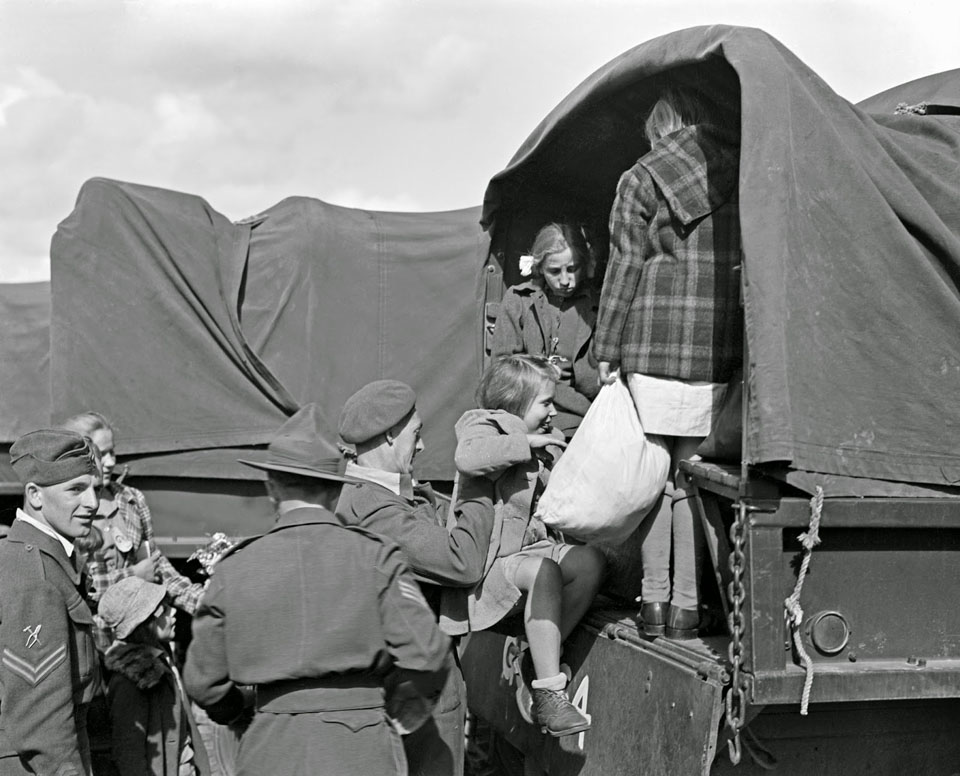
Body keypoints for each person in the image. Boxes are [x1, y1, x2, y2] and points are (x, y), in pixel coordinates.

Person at [184, 404, 450, 776]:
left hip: (271, 746)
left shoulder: (235, 568)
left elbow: (202, 681)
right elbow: (429, 652)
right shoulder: (375, 557)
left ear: (271, 486)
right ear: (333, 490)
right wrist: (393, 710)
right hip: (362, 747)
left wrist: (239, 713)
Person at [594, 85, 743, 639]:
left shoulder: (639, 177)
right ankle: (688, 607)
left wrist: (606, 348)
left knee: (655, 479)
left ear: (661, 126)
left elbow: (623, 269)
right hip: (717, 344)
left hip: (652, 343)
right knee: (693, 477)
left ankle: (653, 605)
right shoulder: (740, 169)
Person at [335, 379, 496, 776]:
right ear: (390, 435)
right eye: (416, 434)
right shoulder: (373, 509)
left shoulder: (380, 497)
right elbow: (462, 561)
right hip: (417, 697)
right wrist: (480, 482)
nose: (421, 446)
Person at [451, 355, 606, 737]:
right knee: (546, 571)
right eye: (546, 403)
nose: (554, 411)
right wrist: (526, 442)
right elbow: (468, 458)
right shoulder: (481, 427)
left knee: (590, 562)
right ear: (515, 403)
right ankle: (551, 693)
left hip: (535, 552)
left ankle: (536, 664)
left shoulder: (546, 444)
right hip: (493, 565)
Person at [0, 429, 102, 776]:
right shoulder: (36, 574)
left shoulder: (50, 560)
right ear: (35, 495)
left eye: (94, 489)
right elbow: (41, 717)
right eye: (76, 489)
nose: (93, 503)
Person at [61, 412, 205, 652]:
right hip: (94, 642)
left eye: (112, 452)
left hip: (140, 637)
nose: (109, 462)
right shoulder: (71, 508)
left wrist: (201, 601)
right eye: (101, 454)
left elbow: (158, 569)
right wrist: (133, 575)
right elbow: (76, 585)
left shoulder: (131, 500)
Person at [492, 223, 600, 438]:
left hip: (586, 415)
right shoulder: (519, 301)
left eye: (572, 269)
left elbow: (597, 379)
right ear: (539, 267)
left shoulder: (598, 306)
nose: (565, 280)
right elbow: (505, 369)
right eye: (554, 271)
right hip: (527, 413)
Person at [99, 577, 210, 776]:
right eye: (164, 610)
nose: (173, 611)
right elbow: (129, 753)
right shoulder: (130, 680)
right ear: (144, 622)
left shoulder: (162, 660)